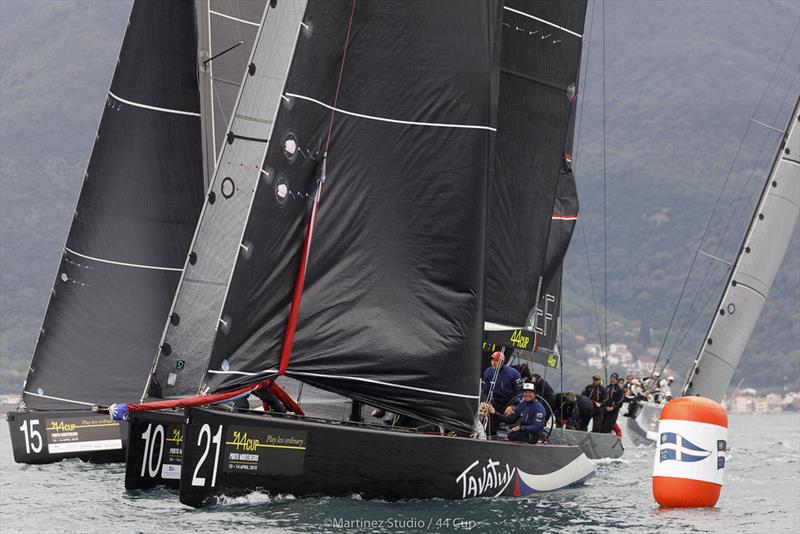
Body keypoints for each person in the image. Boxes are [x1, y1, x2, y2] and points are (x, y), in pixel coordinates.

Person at [480, 352, 523, 436]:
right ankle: (491, 437)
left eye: (496, 360)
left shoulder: (513, 373)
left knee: (513, 426)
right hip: (497, 402)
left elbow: (520, 393)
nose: (493, 362)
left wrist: (513, 406)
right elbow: (485, 391)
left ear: (502, 362)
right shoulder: (488, 372)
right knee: (490, 429)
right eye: (492, 360)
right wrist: (485, 403)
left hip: (510, 403)